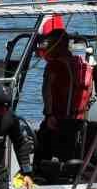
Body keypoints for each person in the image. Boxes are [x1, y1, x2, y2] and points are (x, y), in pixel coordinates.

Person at [37, 27, 93, 164]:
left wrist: (49, 115)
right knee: (68, 152)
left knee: (41, 147)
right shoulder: (80, 63)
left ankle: (37, 176)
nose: (48, 46)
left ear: (56, 45)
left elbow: (47, 92)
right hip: (77, 119)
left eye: (50, 43)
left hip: (57, 118)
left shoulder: (53, 66)